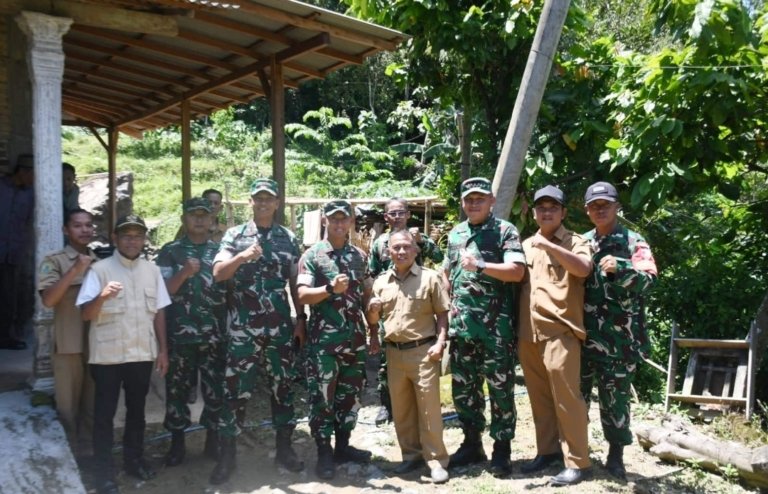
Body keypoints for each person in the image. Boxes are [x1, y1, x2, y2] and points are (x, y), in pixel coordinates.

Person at [208, 179, 306, 485]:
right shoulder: (235, 236)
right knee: (235, 391)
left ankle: (284, 450)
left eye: (268, 198)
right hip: (243, 328)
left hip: (279, 326)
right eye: (258, 198)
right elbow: (218, 273)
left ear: (276, 203)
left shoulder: (288, 238)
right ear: (251, 202)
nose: (263, 203)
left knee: (283, 387)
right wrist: (241, 257)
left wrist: (301, 318)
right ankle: (227, 456)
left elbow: (295, 281)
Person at [76, 215, 170, 494]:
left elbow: (159, 312)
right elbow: (86, 314)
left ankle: (134, 460)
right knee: (104, 416)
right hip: (107, 356)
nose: (132, 241)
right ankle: (104, 473)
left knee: (137, 412)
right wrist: (103, 296)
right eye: (126, 235)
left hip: (141, 354)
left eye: (137, 236)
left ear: (144, 240)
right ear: (115, 239)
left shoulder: (152, 271)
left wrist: (163, 350)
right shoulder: (100, 270)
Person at [442, 177, 525, 477]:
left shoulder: (504, 230)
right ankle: (471, 443)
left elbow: (516, 272)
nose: (474, 203)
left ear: (491, 201)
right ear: (463, 203)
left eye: (480, 198)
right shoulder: (456, 233)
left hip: (496, 330)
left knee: (500, 390)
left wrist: (481, 266)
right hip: (462, 329)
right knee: (464, 389)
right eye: (469, 199)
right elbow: (447, 274)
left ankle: (502, 450)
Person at [581, 181, 658, 481]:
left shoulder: (633, 241)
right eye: (594, 205)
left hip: (620, 340)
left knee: (616, 401)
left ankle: (615, 456)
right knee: (576, 398)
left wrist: (622, 268)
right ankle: (577, 451)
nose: (600, 209)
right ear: (586, 210)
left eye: (606, 204)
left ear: (617, 207)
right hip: (582, 336)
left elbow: (649, 280)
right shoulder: (582, 242)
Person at [518, 186, 593, 486]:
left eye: (552, 207)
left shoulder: (576, 241)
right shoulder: (525, 245)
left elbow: (584, 269)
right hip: (528, 333)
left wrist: (550, 247)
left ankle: (578, 462)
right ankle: (548, 452)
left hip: (560, 331)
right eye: (541, 207)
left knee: (567, 399)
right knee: (539, 398)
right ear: (534, 213)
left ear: (563, 212)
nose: (546, 212)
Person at [297, 200, 376, 480]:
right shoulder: (313, 255)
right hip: (324, 344)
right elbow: (302, 295)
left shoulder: (359, 255)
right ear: (324, 221)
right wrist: (330, 289)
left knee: (350, 396)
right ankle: (324, 453)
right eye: (334, 219)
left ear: (351, 221)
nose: (339, 223)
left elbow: (367, 293)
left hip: (355, 341)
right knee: (323, 398)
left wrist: (373, 322)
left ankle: (343, 447)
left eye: (344, 219)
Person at [366, 229, 450, 484]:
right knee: (401, 410)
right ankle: (410, 456)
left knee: (429, 410)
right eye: (396, 247)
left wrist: (440, 343)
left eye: (406, 247)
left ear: (415, 250)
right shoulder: (381, 282)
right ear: (388, 252)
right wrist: (372, 311)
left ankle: (436, 461)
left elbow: (442, 314)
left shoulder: (430, 278)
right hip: (394, 353)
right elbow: (373, 321)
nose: (401, 251)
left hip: (424, 352)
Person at [156, 198, 226, 468]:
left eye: (203, 215)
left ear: (211, 220)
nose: (198, 220)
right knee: (176, 392)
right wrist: (184, 272)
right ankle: (177, 444)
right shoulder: (170, 252)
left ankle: (213, 440)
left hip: (214, 336)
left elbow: (230, 293)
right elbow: (162, 293)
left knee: (215, 391)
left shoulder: (220, 252)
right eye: (193, 215)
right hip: (180, 337)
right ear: (184, 219)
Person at [369, 198, 444, 425]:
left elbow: (439, 257)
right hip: (390, 306)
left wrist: (422, 242)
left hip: (416, 304)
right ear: (386, 217)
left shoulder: (417, 237)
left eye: (401, 212)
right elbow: (373, 274)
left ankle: (420, 407)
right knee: (387, 361)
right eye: (392, 213)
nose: (397, 217)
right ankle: (387, 405)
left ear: (408, 214)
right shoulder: (380, 243)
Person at [38, 208, 98, 457]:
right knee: (68, 405)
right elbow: (48, 300)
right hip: (68, 343)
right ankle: (69, 455)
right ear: (66, 229)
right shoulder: (54, 260)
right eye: (77, 225)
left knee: (93, 402)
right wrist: (75, 270)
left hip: (97, 343)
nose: (84, 230)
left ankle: (89, 451)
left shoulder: (101, 262)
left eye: (88, 225)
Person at [0, 154, 34, 350]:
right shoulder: (2, 188)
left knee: (9, 296)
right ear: (22, 171)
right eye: (32, 174)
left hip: (14, 252)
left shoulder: (30, 194)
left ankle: (5, 336)